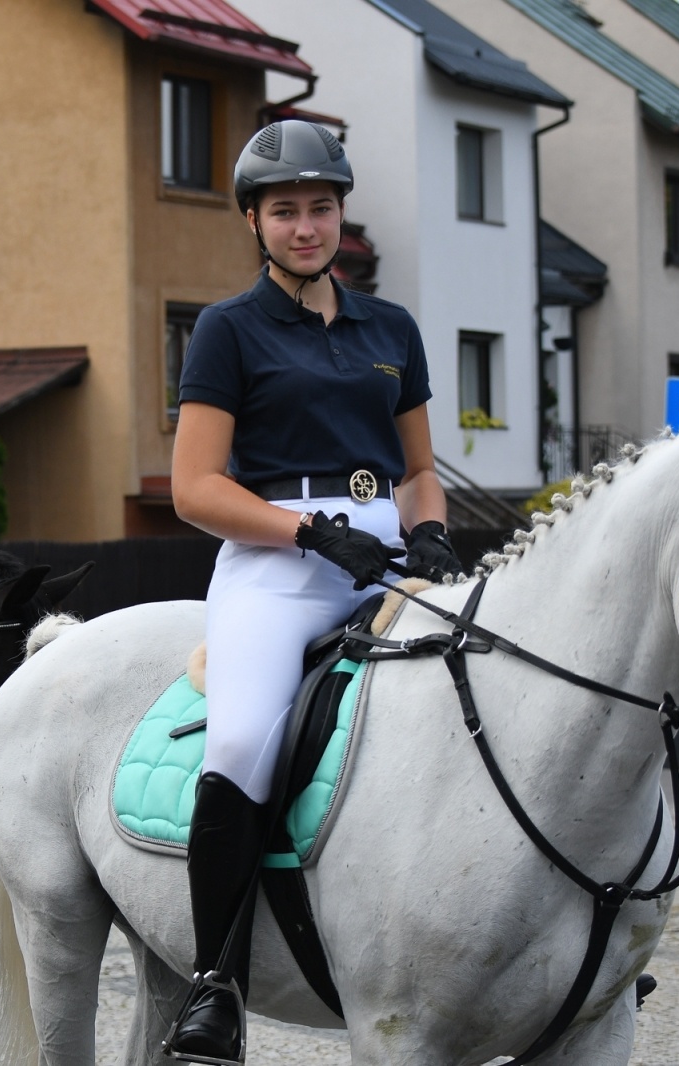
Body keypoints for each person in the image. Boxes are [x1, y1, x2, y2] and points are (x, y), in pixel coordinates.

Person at [166, 119, 465, 1062]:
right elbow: (195, 488)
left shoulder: (392, 329)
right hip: (278, 566)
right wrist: (307, 531)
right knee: (248, 736)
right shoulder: (228, 329)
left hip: (387, 562)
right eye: (286, 211)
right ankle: (215, 984)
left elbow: (420, 468)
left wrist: (428, 531)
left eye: (321, 208)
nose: (307, 227)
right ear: (255, 222)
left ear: (343, 216)